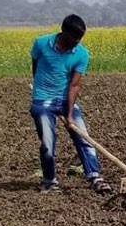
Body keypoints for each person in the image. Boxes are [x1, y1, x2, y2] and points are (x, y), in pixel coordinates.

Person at [29, 14, 111, 194]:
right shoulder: (41, 43)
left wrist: (69, 115)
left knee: (83, 138)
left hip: (66, 99)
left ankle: (95, 176)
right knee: (48, 143)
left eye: (80, 38)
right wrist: (40, 88)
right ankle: (49, 181)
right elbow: (35, 65)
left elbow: (74, 85)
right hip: (42, 100)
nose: (77, 41)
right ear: (63, 31)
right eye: (74, 37)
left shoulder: (81, 53)